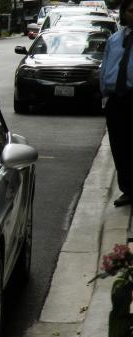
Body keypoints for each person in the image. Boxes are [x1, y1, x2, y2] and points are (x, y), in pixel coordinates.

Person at [101, 0, 133, 206]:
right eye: (131, 10)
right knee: (119, 147)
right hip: (116, 101)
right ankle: (128, 190)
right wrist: (104, 93)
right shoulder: (114, 39)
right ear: (123, 13)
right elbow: (106, 67)